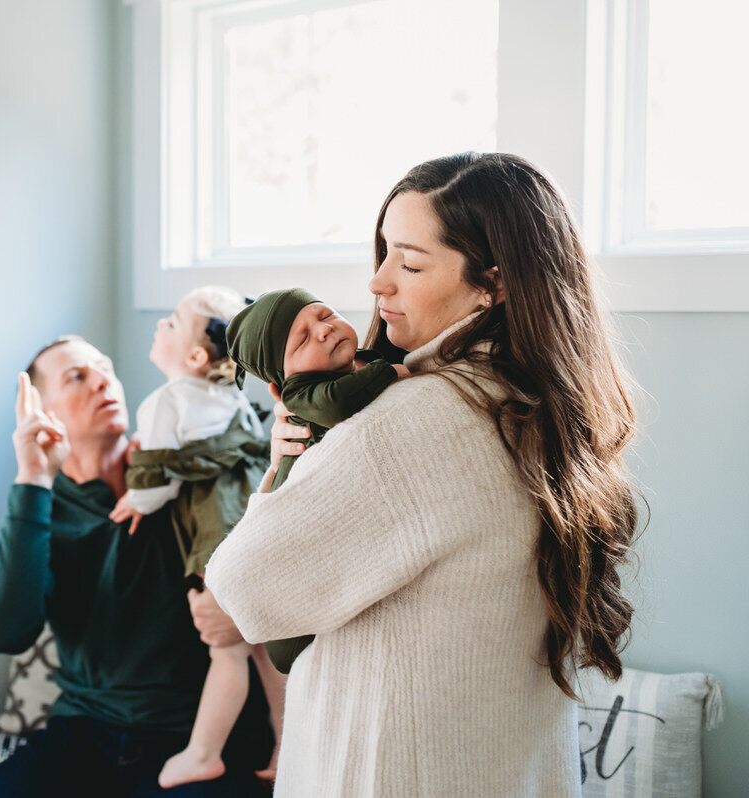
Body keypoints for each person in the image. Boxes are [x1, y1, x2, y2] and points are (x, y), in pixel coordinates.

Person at [204, 153, 641, 797]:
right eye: (384, 254)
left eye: (409, 264)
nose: (379, 284)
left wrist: (283, 471)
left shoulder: (412, 420)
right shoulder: (538, 405)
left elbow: (242, 587)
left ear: (494, 284)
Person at [0, 336, 272, 797]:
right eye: (77, 377)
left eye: (105, 368)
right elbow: (4, 632)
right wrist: (33, 477)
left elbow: (271, 556)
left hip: (202, 733)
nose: (102, 382)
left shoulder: (183, 474)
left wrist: (242, 613)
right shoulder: (40, 510)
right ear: (45, 414)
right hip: (86, 730)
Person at [104, 286, 280, 789]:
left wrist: (134, 501)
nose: (160, 326)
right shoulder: (232, 395)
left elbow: (162, 478)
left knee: (226, 649)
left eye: (172, 322)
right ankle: (287, 741)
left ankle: (204, 753)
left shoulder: (166, 401)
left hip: (216, 529)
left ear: (196, 355)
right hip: (259, 518)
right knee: (265, 643)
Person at [223, 287, 409, 674]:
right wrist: (389, 373)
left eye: (325, 316)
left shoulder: (359, 362)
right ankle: (285, 649)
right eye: (303, 339)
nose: (323, 331)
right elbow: (338, 403)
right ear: (281, 380)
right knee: (287, 631)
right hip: (293, 517)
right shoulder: (301, 392)